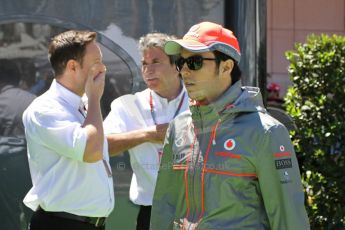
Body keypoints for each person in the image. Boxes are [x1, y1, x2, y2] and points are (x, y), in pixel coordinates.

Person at [150, 21, 310, 229]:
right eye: (181, 63)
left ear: (226, 67)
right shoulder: (179, 127)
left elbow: (289, 219)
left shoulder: (266, 132)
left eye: (195, 62)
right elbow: (165, 205)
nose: (185, 71)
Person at [22, 30, 114, 230]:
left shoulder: (82, 105)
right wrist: (95, 99)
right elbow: (91, 151)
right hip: (60, 224)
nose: (103, 68)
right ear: (73, 66)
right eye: (97, 61)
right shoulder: (45, 109)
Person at [104, 33, 189, 230]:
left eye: (156, 62)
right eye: (144, 63)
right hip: (151, 213)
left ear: (177, 66)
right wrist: (148, 135)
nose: (148, 70)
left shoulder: (200, 102)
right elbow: (102, 147)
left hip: (196, 210)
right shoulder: (128, 104)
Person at [0, 59, 36, 230]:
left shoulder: (2, 100)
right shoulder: (34, 100)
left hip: (4, 168)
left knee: (8, 218)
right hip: (33, 167)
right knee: (35, 215)